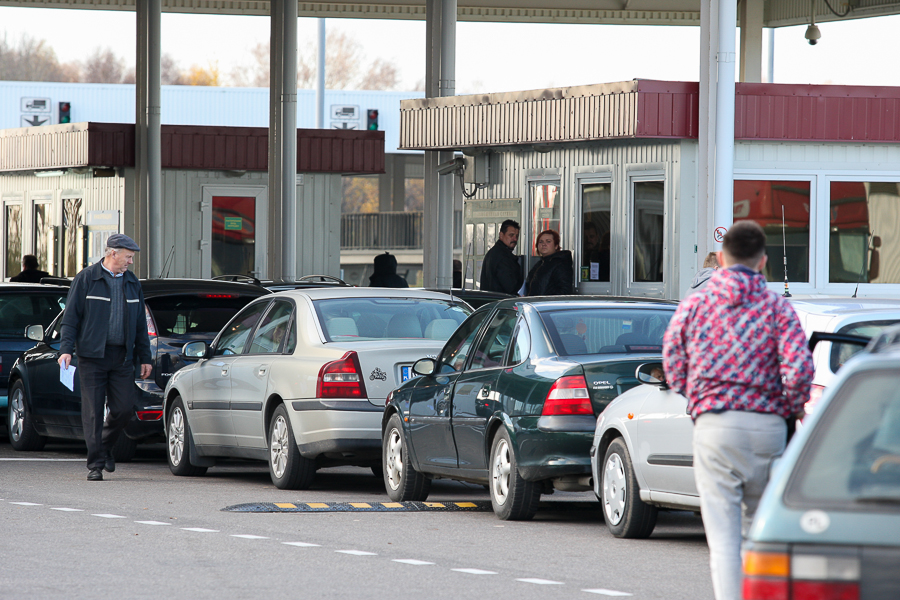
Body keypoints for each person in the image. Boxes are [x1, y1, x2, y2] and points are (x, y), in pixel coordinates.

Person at [662, 221, 813, 600]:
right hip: (768, 428)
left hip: (715, 425)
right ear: (762, 262)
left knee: (723, 541)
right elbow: (799, 372)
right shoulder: (778, 307)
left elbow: (672, 362)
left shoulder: (696, 304)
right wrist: (789, 412)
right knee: (758, 533)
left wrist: (697, 397)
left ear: (723, 258)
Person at [58, 233, 152, 482]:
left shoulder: (132, 282)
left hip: (122, 357)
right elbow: (71, 318)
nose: (130, 262)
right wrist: (66, 349)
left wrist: (145, 356)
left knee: (123, 409)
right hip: (92, 357)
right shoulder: (87, 278)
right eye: (128, 257)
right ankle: (95, 465)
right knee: (93, 412)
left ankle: (104, 447)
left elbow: (140, 323)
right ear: (113, 253)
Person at [525, 229, 574, 296]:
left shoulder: (561, 264)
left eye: (548, 241)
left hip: (548, 305)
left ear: (556, 246)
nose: (544, 244)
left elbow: (564, 291)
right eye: (541, 242)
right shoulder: (540, 264)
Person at [480, 219, 523, 295]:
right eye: (511, 235)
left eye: (517, 236)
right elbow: (510, 286)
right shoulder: (502, 257)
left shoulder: (494, 253)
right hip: (502, 302)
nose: (515, 239)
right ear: (501, 235)